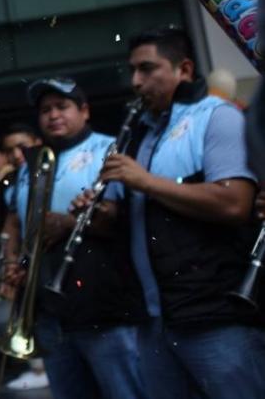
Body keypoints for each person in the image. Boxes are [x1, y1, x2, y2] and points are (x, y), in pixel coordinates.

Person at [93, 26, 264, 398]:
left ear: (184, 69)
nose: (136, 82)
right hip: (153, 320)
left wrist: (145, 181)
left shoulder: (217, 117)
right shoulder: (137, 133)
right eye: (132, 71)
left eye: (147, 69)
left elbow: (235, 203)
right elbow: (137, 218)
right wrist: (101, 214)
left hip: (214, 315)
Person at [2, 77, 147, 399]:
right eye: (45, 110)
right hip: (48, 312)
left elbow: (123, 218)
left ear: (84, 111)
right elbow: (16, 221)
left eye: (62, 106)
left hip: (103, 308)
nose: (53, 115)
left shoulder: (110, 149)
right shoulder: (31, 164)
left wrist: (69, 222)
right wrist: (15, 262)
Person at [0, 123, 49, 392]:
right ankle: (39, 369)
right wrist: (10, 260)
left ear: (37, 143)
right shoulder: (16, 183)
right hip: (27, 264)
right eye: (10, 150)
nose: (16, 155)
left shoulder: (47, 174)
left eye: (22, 147)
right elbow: (13, 224)